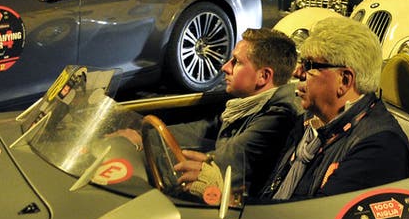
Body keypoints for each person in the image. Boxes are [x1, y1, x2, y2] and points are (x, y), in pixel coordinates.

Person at [113, 28, 301, 198]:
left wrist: (145, 155)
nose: (225, 67)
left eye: (236, 62)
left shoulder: (277, 118)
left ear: (263, 76)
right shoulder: (245, 107)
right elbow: (201, 132)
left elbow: (226, 162)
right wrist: (142, 137)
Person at [262, 16, 409, 201]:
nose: (297, 72)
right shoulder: (310, 122)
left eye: (309, 65)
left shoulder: (379, 150)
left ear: (344, 80)